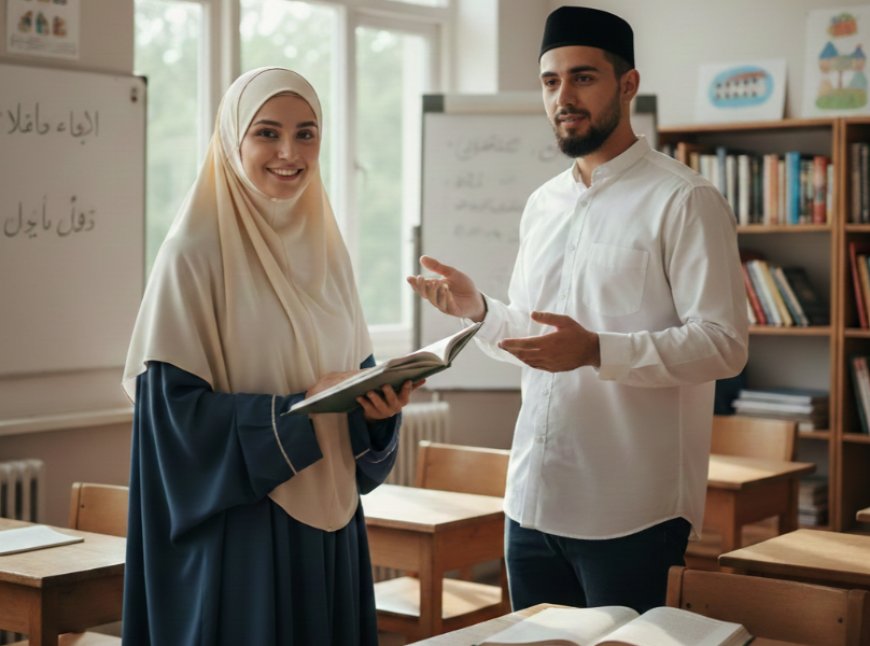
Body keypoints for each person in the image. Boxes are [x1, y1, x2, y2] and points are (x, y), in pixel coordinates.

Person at [407, 6, 748, 613]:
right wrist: (480, 310)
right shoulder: (543, 204)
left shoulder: (685, 200)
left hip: (631, 512)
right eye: (550, 81)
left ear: (628, 84)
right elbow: (539, 338)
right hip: (532, 504)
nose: (563, 96)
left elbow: (724, 343)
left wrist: (598, 350)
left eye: (583, 77)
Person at [122, 67, 421, 645]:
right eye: (267, 133)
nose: (289, 152)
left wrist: (377, 414)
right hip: (243, 532)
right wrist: (292, 412)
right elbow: (171, 421)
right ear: (233, 141)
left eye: (306, 133)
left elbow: (351, 383)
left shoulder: (330, 253)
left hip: (330, 524)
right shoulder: (193, 253)